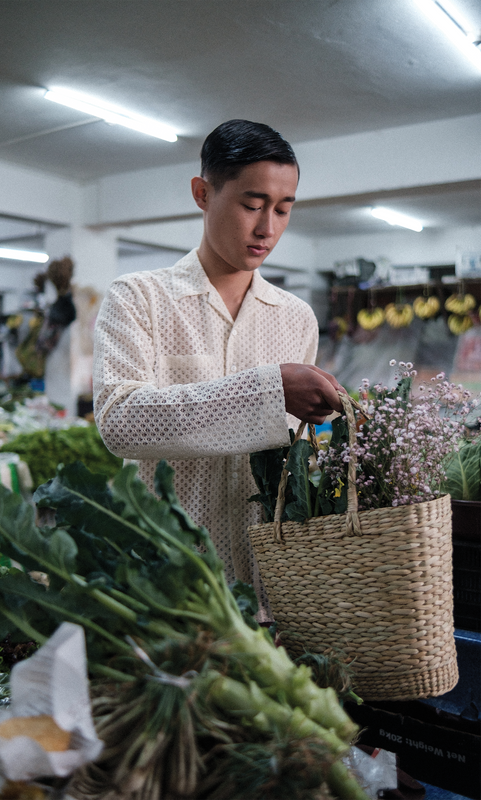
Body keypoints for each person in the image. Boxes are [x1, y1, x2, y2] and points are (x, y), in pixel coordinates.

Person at [93, 119, 344, 618]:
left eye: (283, 209)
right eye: (252, 205)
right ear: (203, 193)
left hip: (270, 586)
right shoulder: (138, 298)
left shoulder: (295, 318)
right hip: (167, 578)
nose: (267, 227)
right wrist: (271, 391)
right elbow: (120, 422)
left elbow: (297, 459)